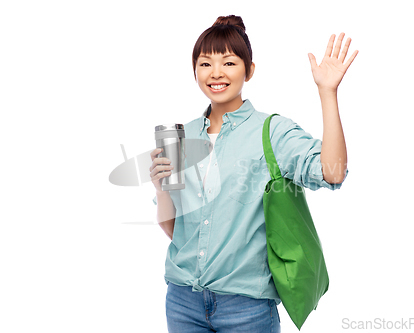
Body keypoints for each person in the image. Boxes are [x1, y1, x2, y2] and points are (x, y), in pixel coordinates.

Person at [149, 15, 357, 333]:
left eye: (229, 63)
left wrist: (327, 93)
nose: (216, 73)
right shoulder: (182, 136)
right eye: (205, 64)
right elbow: (178, 232)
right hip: (182, 302)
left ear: (249, 70)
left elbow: (332, 173)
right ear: (195, 71)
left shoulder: (271, 131)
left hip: (246, 308)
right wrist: (161, 188)